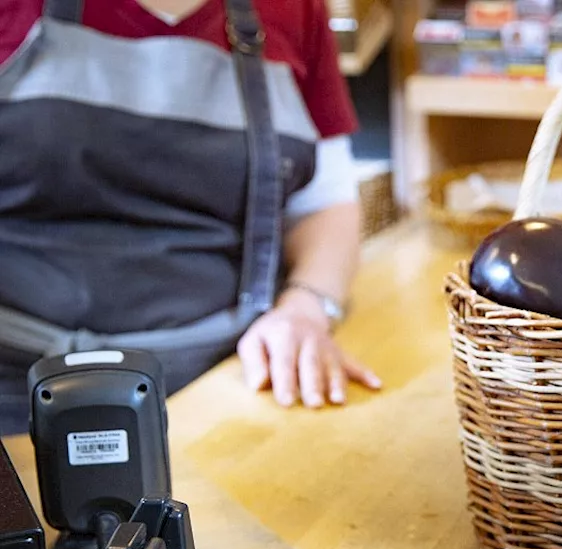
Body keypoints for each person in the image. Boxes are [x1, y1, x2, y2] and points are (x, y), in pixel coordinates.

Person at [0, 0, 382, 435]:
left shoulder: (295, 10)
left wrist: (305, 308)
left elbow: (323, 202)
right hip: (14, 390)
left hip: (226, 385)